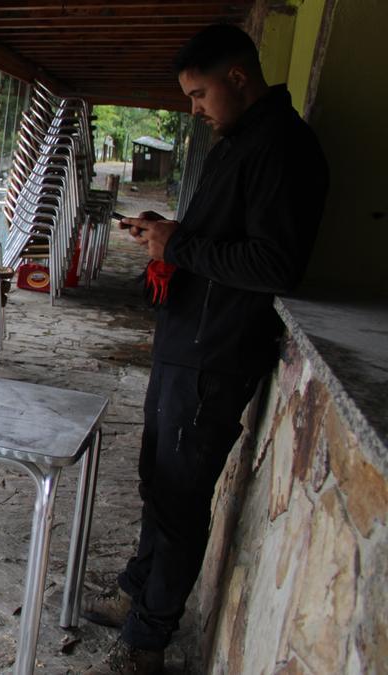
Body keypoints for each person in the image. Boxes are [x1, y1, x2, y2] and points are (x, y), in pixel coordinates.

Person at [83, 24, 328, 674]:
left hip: (217, 351)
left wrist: (181, 246)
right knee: (157, 480)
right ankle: (139, 588)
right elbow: (223, 236)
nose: (193, 107)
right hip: (187, 339)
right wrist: (169, 235)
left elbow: (274, 263)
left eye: (198, 94)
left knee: (181, 496)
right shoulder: (239, 141)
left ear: (238, 79)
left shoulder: (283, 148)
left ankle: (147, 639)